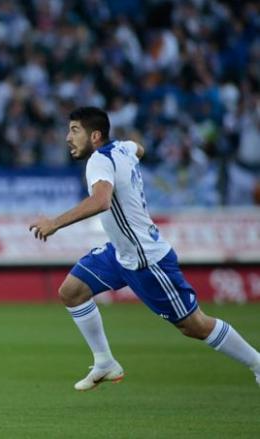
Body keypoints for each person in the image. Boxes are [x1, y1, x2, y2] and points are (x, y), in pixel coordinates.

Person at [29, 106, 260, 391]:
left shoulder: (98, 161)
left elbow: (100, 201)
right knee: (71, 292)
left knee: (195, 325)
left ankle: (257, 363)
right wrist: (132, 154)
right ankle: (104, 362)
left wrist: (54, 223)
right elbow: (139, 148)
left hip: (146, 260)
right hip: (120, 252)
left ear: (96, 136)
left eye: (75, 130)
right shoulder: (122, 148)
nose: (68, 137)